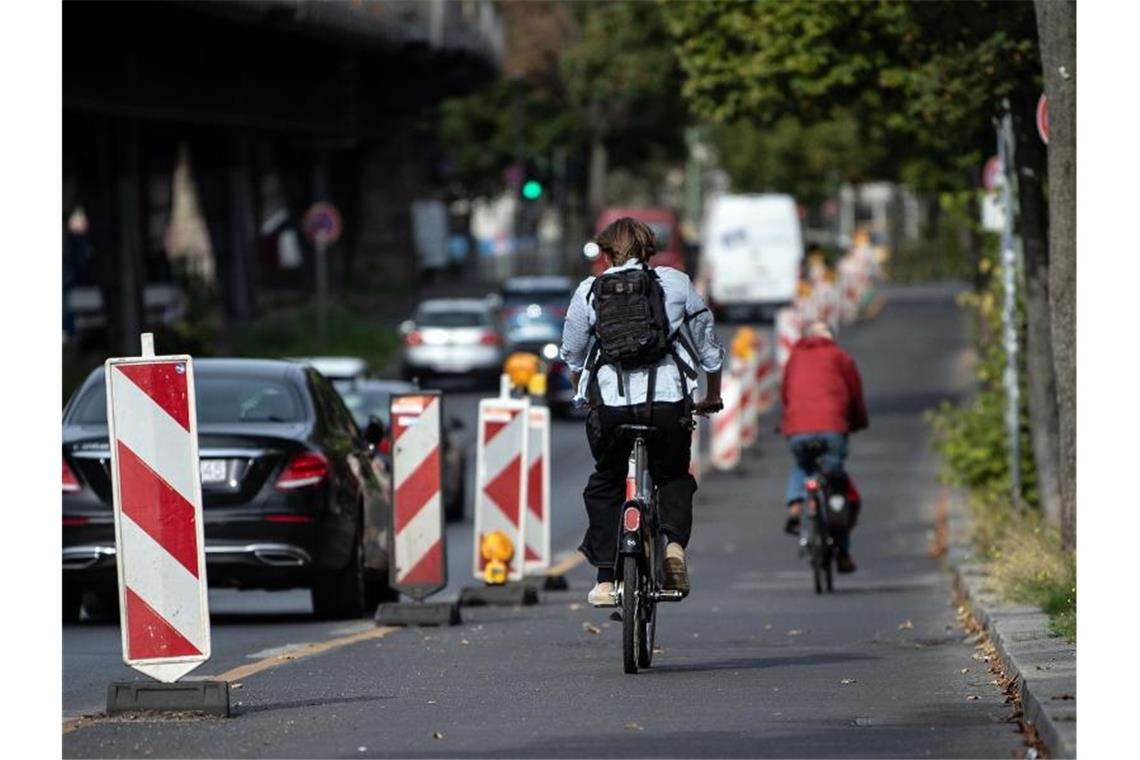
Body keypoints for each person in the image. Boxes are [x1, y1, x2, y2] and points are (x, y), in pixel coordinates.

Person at [560, 217, 725, 607]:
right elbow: (708, 349)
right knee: (673, 477)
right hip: (668, 404)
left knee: (606, 482)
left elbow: (573, 354)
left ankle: (604, 580)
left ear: (604, 254)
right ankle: (673, 548)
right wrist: (711, 395)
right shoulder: (677, 283)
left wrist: (582, 394)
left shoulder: (588, 291)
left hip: (612, 409)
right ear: (650, 250)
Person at [780, 319, 868, 573]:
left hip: (797, 429)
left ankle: (795, 505)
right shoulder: (840, 356)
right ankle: (843, 551)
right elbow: (854, 395)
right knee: (836, 485)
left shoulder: (794, 358)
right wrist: (857, 422)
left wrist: (790, 421)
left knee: (802, 466)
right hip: (832, 429)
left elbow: (786, 394)